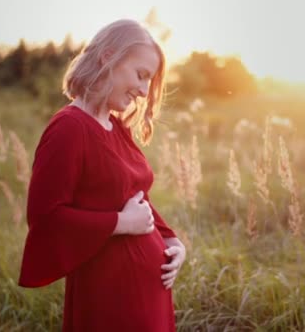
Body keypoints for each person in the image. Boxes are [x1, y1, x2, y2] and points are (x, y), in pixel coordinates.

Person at [18, 19, 186, 331]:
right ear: (108, 56)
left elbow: (137, 198)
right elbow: (45, 219)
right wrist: (121, 223)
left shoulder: (116, 127)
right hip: (110, 298)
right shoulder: (69, 128)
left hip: (149, 297)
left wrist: (173, 242)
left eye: (149, 81)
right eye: (141, 75)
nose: (143, 91)